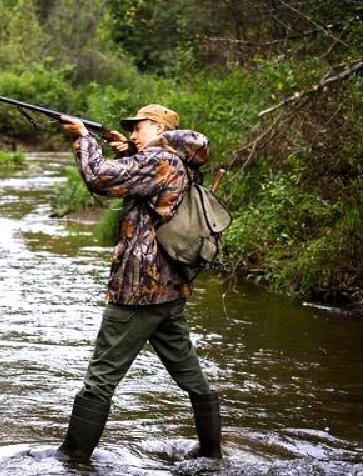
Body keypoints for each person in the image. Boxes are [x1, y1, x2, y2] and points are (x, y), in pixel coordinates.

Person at [55, 105, 222, 461]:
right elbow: (145, 180)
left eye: (137, 128)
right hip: (169, 287)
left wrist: (83, 138)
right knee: (189, 371)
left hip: (139, 290)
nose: (131, 133)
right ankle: (211, 452)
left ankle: (72, 457)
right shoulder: (177, 161)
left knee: (101, 376)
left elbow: (99, 177)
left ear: (159, 127)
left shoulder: (159, 159)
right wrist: (130, 150)